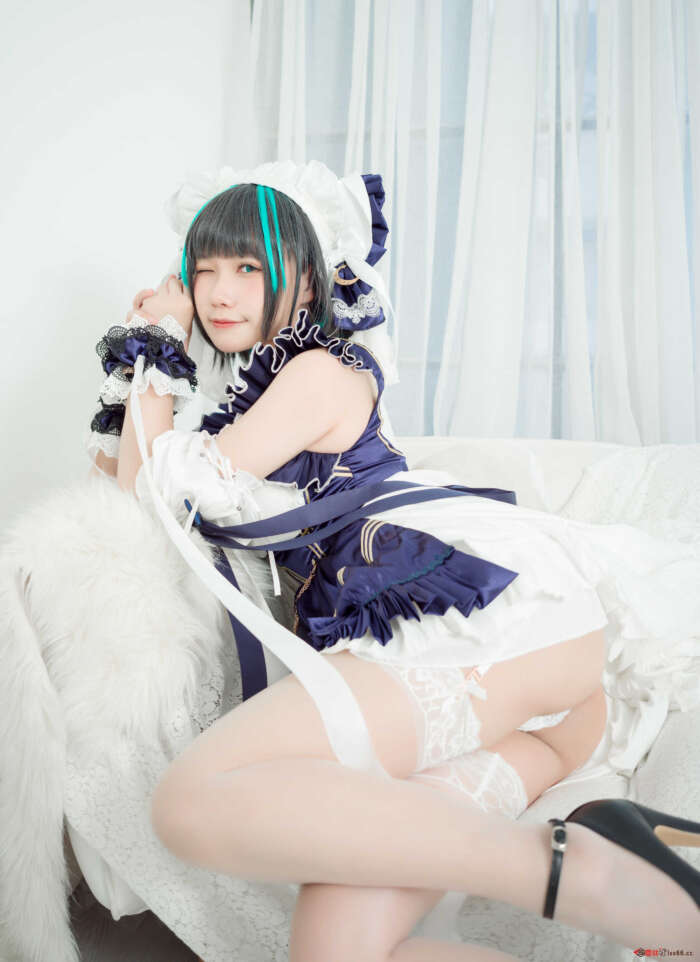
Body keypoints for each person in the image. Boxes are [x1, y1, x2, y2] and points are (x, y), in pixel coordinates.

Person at [90, 161, 699, 961]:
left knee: (189, 802)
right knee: (336, 952)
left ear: (308, 283)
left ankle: (584, 873)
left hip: (491, 624)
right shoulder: (245, 409)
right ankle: (604, 860)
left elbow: (171, 495)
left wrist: (160, 344)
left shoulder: (317, 372)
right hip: (543, 718)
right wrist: (148, 363)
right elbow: (134, 494)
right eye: (202, 271)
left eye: (248, 268)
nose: (219, 292)